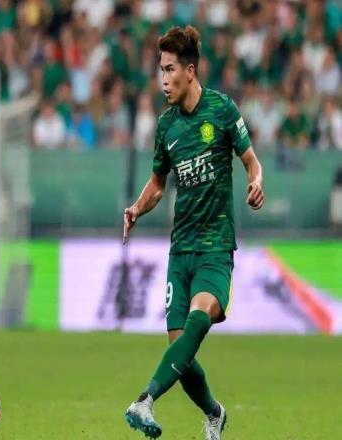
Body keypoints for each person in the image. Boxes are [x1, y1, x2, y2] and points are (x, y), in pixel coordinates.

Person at [122, 26, 264, 440]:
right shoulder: (166, 126)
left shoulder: (221, 110)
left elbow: (251, 161)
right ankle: (214, 413)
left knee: (199, 319)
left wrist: (256, 181)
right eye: (160, 70)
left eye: (169, 70)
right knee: (178, 349)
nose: (163, 80)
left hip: (215, 247)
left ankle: (145, 399)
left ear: (189, 70)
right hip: (180, 250)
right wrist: (136, 208)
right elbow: (157, 185)